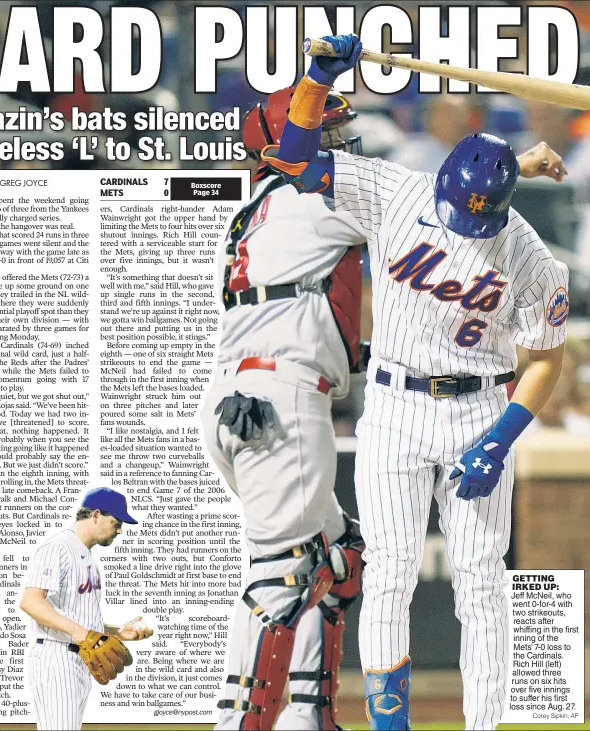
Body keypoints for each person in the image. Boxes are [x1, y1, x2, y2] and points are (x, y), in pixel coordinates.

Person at [263, 34, 569, 731]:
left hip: (479, 405)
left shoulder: (528, 256)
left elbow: (545, 361)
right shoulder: (397, 190)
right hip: (396, 405)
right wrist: (315, 79)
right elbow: (292, 156)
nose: (467, 220)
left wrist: (500, 439)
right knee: (391, 573)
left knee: (482, 586)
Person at [201, 86, 368, 731]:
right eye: (327, 132)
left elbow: (304, 309)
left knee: (338, 557)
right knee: (283, 579)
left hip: (242, 397)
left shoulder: (258, 207)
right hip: (280, 404)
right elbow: (420, 211)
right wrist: (509, 169)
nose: (340, 142)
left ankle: (306, 718)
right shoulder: (310, 198)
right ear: (290, 144)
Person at [20, 488, 153, 731]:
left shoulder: (86, 555)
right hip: (57, 657)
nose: (121, 530)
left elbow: (78, 618)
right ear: (96, 515)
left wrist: (117, 632)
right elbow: (31, 602)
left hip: (77, 658)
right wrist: (81, 633)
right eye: (116, 522)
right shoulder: (59, 546)